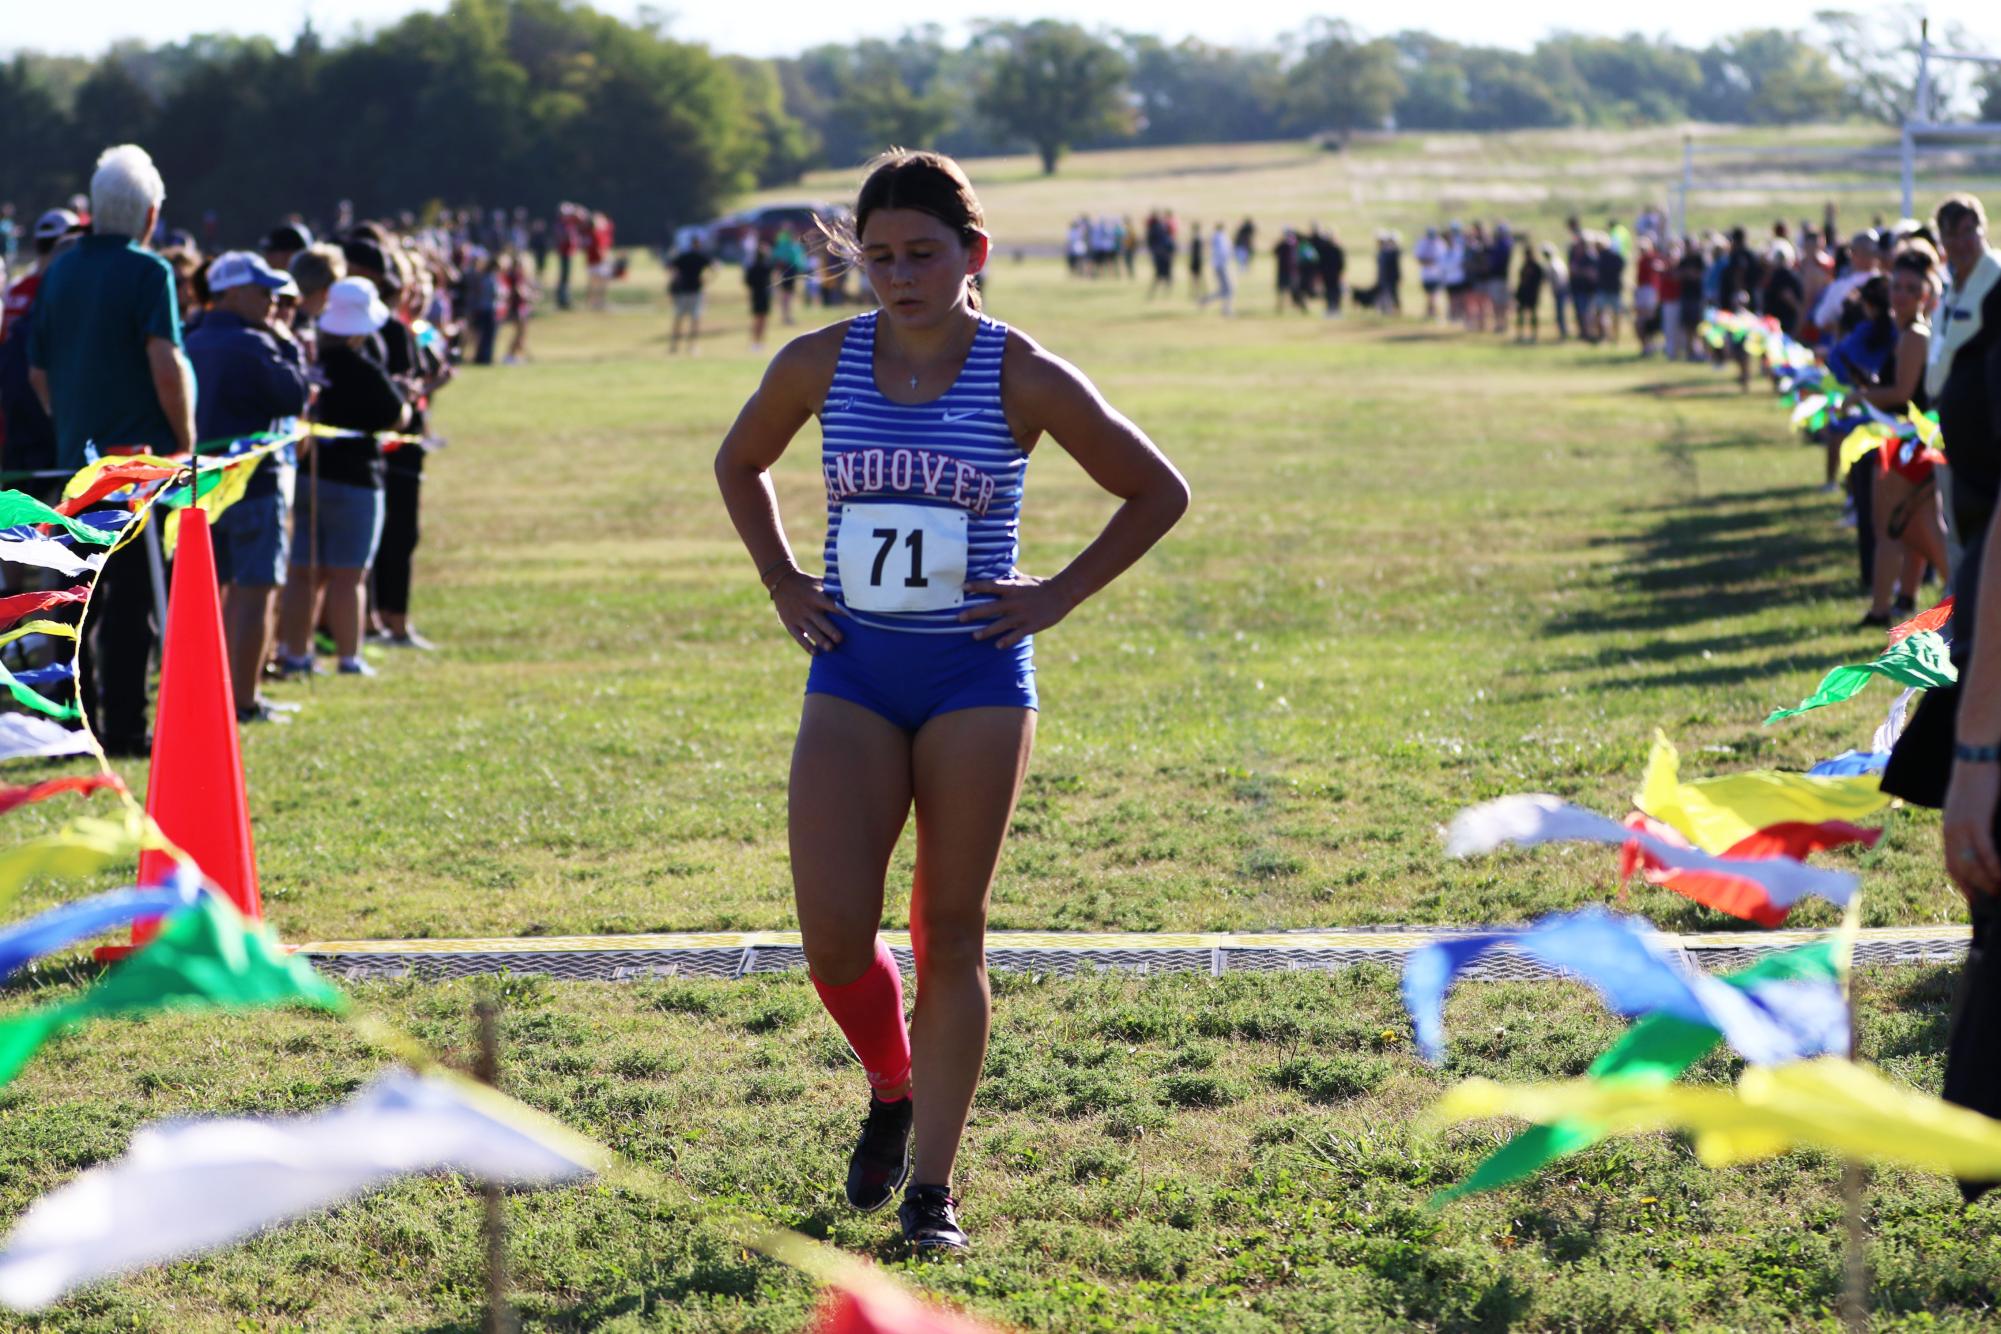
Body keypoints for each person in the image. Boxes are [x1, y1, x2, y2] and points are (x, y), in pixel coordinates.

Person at [714, 150, 1188, 1254]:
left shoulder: (1019, 370)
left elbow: (1156, 488)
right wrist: (784, 579)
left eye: (923, 253)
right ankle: (892, 1082)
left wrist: (1059, 593)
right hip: (856, 667)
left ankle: (933, 1185)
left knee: (949, 929)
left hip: (976, 671)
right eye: (877, 256)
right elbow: (741, 463)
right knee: (833, 934)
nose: (899, 274)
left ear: (974, 254)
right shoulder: (819, 361)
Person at [26, 145, 193, 757]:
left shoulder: (59, 271)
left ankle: (70, 723)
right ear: (150, 215)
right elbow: (165, 360)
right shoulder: (151, 273)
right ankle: (123, 726)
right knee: (129, 602)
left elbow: (38, 371)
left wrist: (70, 424)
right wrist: (186, 440)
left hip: (77, 462)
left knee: (74, 600)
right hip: (136, 466)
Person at [184, 251, 313, 722]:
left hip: (198, 488)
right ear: (233, 293)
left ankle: (203, 697)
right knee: (255, 591)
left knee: (206, 595)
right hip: (255, 485)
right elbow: (294, 394)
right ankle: (242, 700)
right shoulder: (256, 343)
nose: (272, 302)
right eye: (263, 292)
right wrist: (288, 343)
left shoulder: (190, 338)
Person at [276, 278, 406, 677]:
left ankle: (295, 652)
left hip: (308, 477)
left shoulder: (309, 360)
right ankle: (350, 657)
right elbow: (397, 414)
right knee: (349, 575)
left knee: (303, 571)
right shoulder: (366, 368)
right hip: (356, 481)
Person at [1858, 246, 1946, 626]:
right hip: (1915, 442)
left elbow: (1902, 392)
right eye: (1896, 287)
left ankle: (1881, 610)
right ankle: (1916, 601)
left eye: (1911, 289)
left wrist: (1858, 396)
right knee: (1922, 531)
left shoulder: (1913, 336)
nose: (1900, 295)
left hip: (1905, 442)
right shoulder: (1912, 333)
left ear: (1925, 295)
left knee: (1889, 529)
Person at [667, 234, 713, 354]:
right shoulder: (699, 256)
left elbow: (671, 267)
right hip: (693, 291)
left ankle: (676, 345)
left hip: (685, 290)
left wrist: (675, 280)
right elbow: (715, 268)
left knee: (681, 318)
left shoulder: (685, 256)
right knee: (693, 319)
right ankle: (689, 346)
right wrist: (707, 280)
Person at [1513, 238, 1544, 342]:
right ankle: (1520, 334)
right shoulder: (1524, 266)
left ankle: (1534, 335)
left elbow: (1539, 281)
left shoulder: (1537, 267)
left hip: (1532, 294)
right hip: (1523, 294)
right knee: (1520, 315)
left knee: (1533, 315)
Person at [1204, 222, 1234, 317]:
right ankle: (1226, 310)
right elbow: (1224, 252)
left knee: (1225, 289)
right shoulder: (1221, 237)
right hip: (1222, 265)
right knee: (1229, 289)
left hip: (1219, 265)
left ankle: (1206, 300)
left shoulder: (1216, 237)